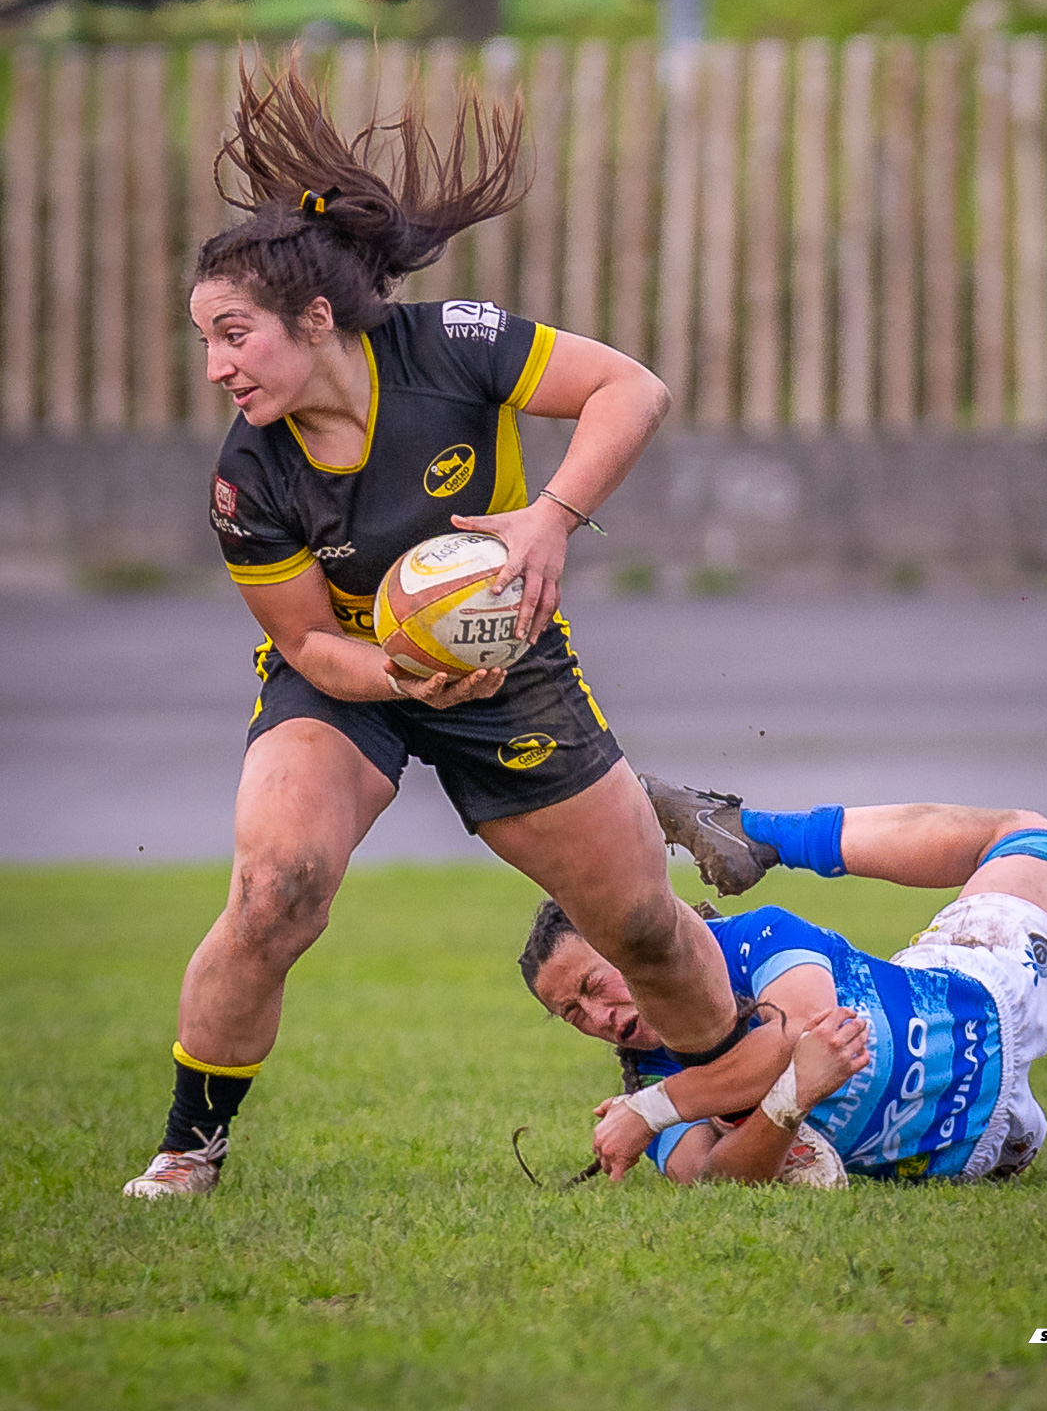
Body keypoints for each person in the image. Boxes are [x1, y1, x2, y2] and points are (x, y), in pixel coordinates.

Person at [123, 59, 738, 1199]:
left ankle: (754, 1109)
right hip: (352, 675)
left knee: (644, 924)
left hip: (509, 667)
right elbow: (307, 645)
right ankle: (188, 1149)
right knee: (276, 886)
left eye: (234, 336)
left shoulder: (451, 346)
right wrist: (401, 672)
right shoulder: (247, 475)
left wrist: (550, 521)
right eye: (205, 341)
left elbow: (632, 390)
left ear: (314, 319)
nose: (216, 368)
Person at [519, 781, 1047, 1188]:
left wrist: (652, 1110)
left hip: (984, 1004)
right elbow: (710, 1179)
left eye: (594, 985)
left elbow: (805, 1033)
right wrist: (786, 1107)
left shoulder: (750, 936)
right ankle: (757, 835)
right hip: (974, 1151)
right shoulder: (653, 1072)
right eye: (574, 1014)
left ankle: (762, 835)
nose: (601, 1018)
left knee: (1033, 836)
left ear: (628, 942)